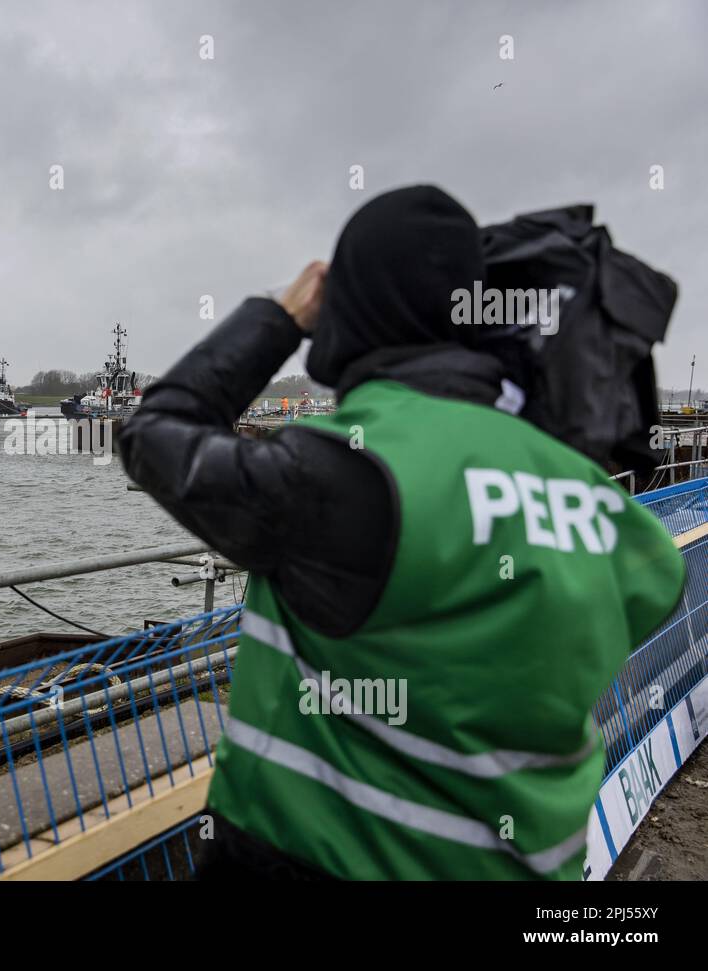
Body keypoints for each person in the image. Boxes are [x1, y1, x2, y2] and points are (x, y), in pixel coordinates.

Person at [117, 185, 686, 880]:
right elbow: (655, 579)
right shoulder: (607, 514)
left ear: (349, 316)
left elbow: (153, 433)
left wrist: (275, 316)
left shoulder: (342, 471)